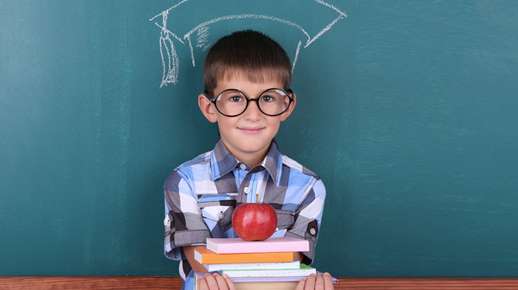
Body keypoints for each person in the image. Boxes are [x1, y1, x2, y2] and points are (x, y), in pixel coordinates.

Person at [163, 30, 333, 290]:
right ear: (210, 108)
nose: (253, 114)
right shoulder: (185, 181)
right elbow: (198, 261)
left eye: (267, 98)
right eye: (235, 98)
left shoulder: (309, 187)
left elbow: (291, 263)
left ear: (286, 106)